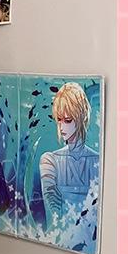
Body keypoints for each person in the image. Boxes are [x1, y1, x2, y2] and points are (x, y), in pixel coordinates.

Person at [39, 82, 100, 223]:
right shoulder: (49, 160)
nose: (61, 127)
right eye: (59, 120)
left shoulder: (97, 161)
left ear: (81, 118)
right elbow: (53, 213)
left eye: (67, 120)